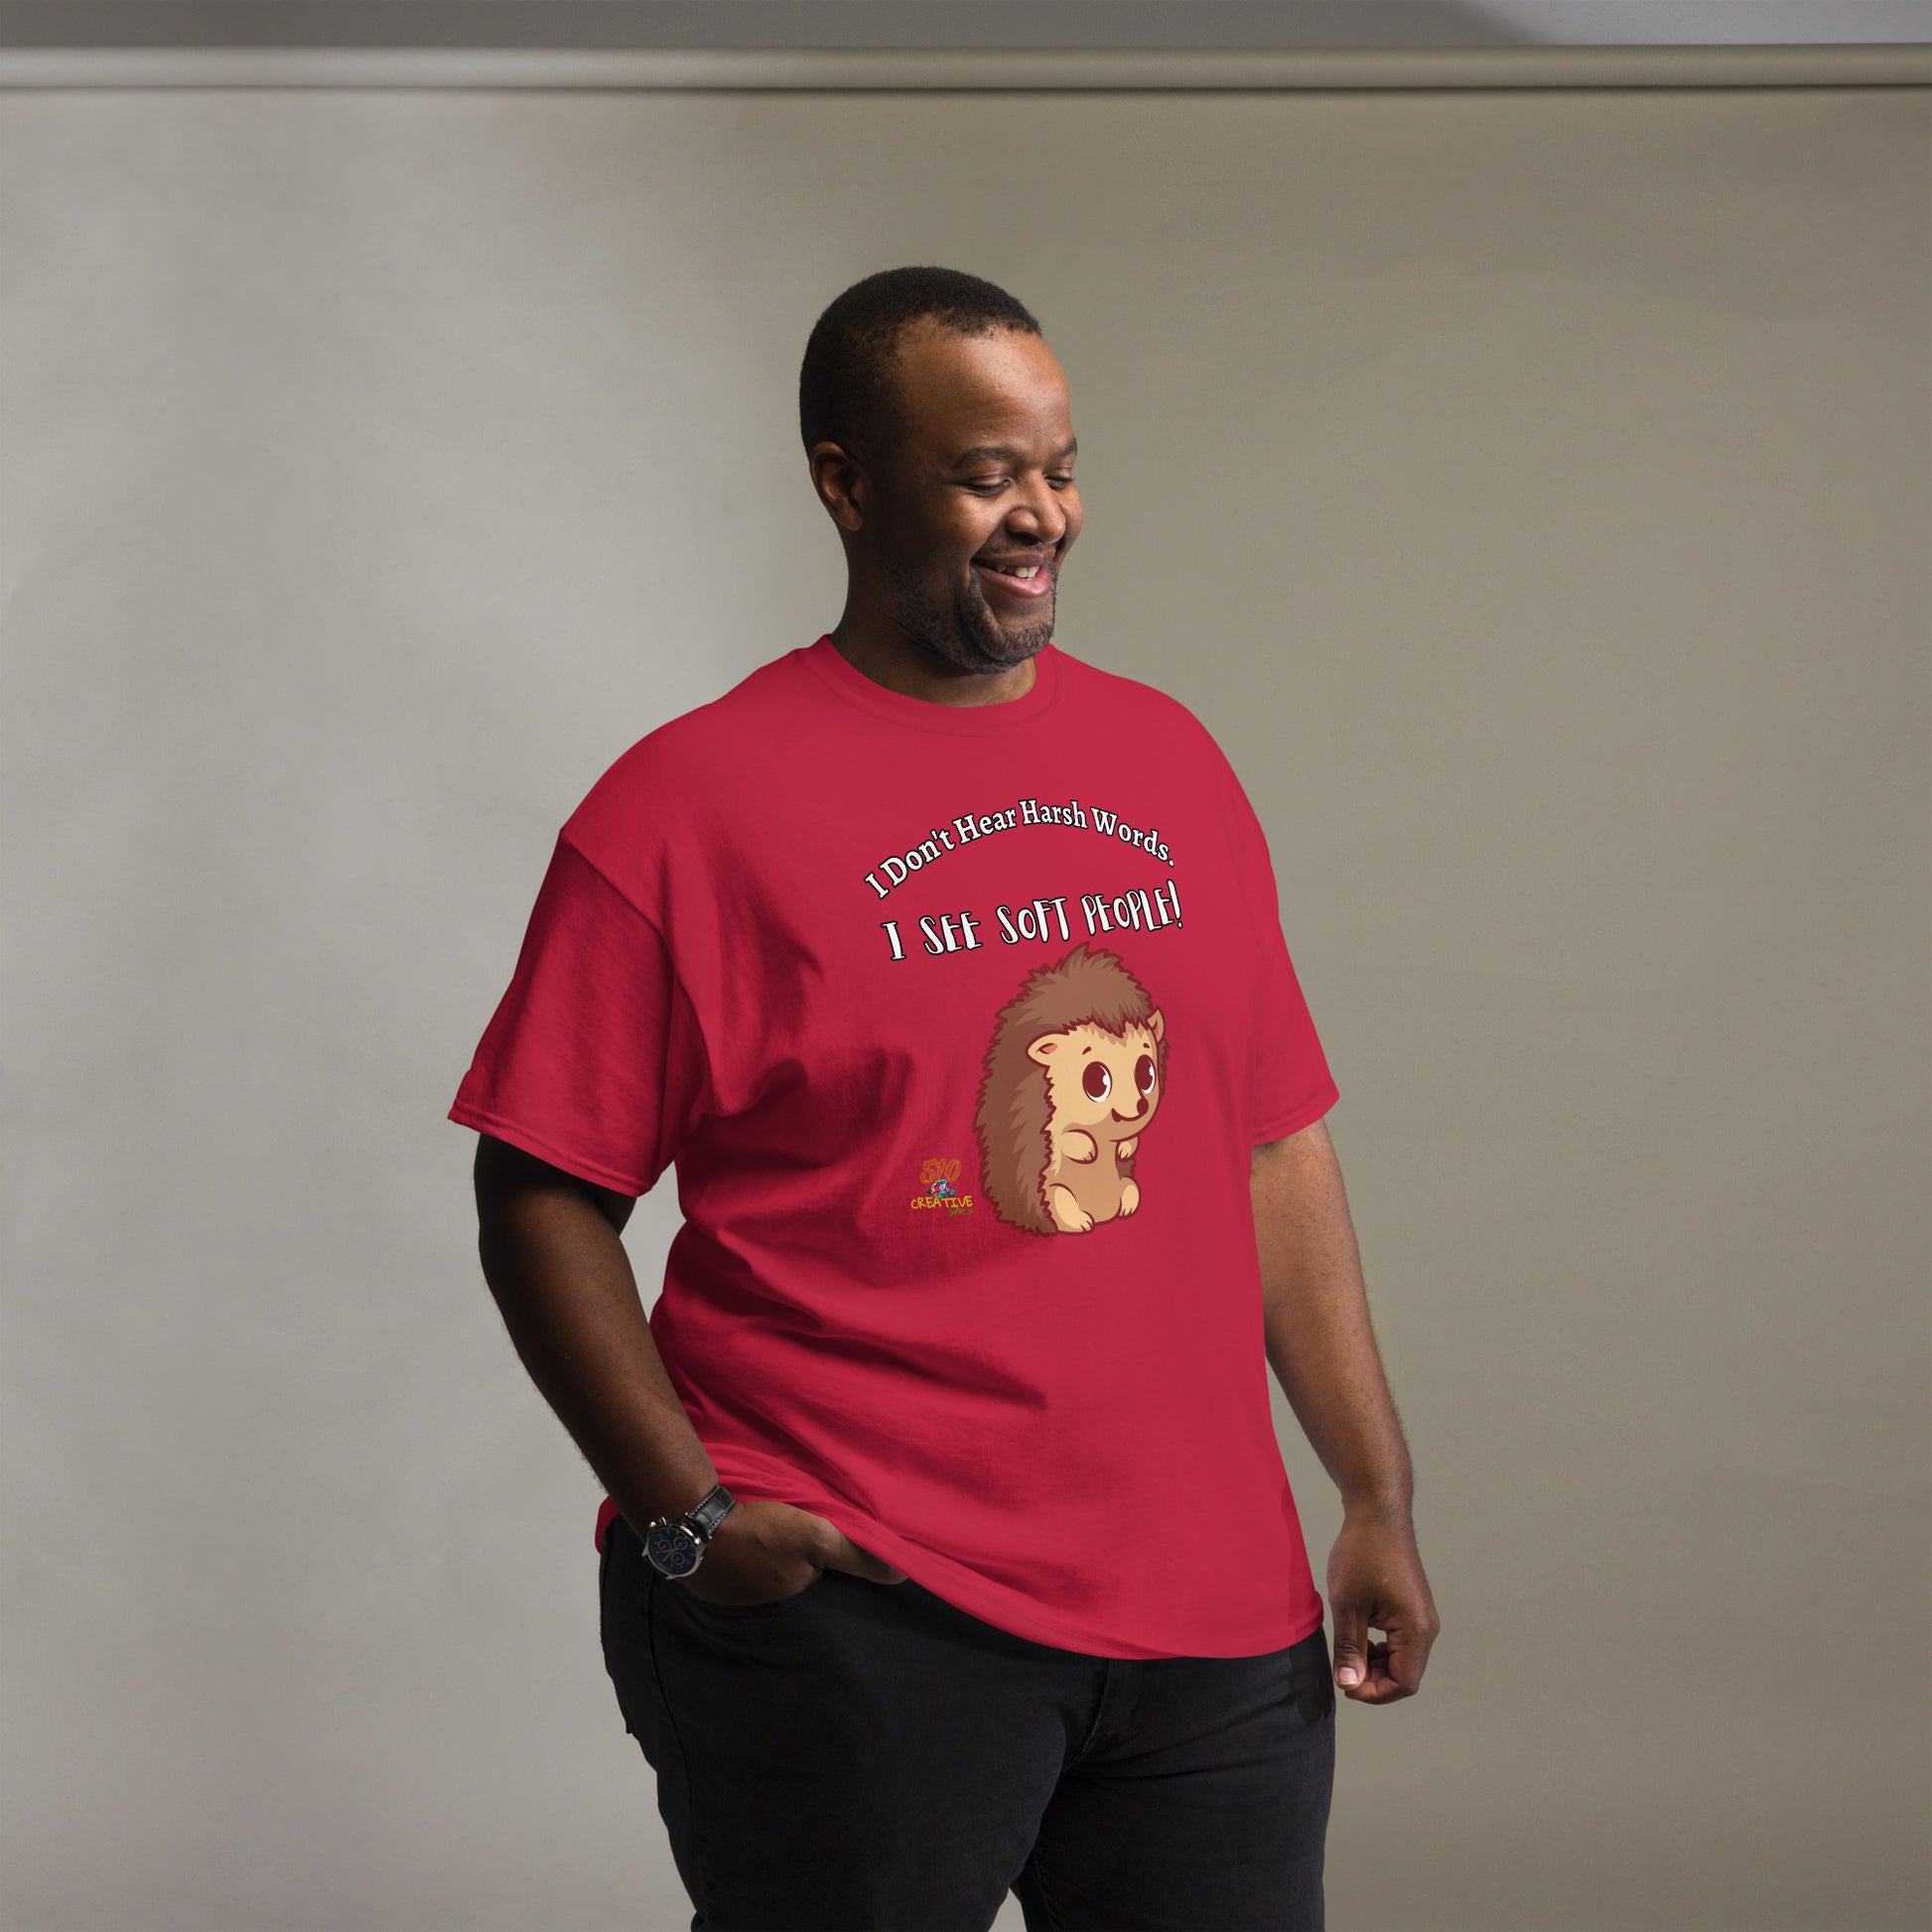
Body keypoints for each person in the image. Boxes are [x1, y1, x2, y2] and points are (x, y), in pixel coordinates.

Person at [450, 264, 1439, 1932]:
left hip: (1212, 1622)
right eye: (985, 474)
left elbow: (1270, 1143)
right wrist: (691, 1519)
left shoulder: (1172, 764)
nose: (1039, 512)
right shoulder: (686, 807)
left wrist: (1373, 1493)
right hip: (864, 1609)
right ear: (845, 482)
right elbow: (539, 1188)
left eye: (1059, 467)